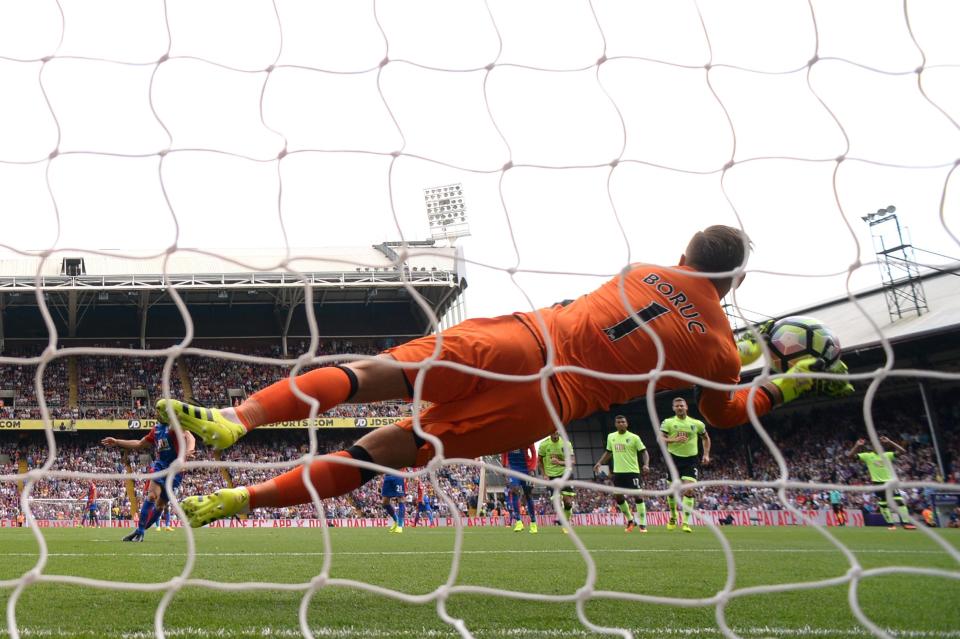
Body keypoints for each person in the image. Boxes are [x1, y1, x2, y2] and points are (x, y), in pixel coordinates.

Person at [158, 225, 854, 526]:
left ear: (684, 252)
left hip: (521, 338)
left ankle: (236, 418)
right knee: (384, 453)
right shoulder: (720, 349)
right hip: (548, 402)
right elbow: (728, 412)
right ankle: (240, 501)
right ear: (732, 283)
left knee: (380, 373)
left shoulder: (641, 267)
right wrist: (782, 377)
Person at [101, 416, 195, 541]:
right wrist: (117, 442)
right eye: (157, 411)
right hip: (160, 466)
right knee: (151, 496)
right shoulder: (156, 429)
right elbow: (139, 444)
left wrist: (188, 451)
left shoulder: (174, 425)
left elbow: (190, 437)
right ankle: (140, 531)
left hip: (176, 470)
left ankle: (140, 530)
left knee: (161, 506)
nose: (158, 414)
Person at [659, 398, 710, 533]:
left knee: (689, 490)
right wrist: (674, 439)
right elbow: (660, 438)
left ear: (686, 407)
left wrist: (706, 454)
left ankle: (686, 522)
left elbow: (705, 438)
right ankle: (673, 515)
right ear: (673, 408)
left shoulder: (696, 423)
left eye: (682, 405)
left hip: (691, 460)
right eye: (677, 406)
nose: (680, 407)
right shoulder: (668, 422)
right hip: (673, 459)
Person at [593, 415, 649, 533]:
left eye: (623, 422)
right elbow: (608, 452)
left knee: (638, 496)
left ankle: (643, 524)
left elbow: (644, 452)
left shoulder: (634, 438)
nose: (621, 424)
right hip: (618, 473)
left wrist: (646, 464)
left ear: (627, 424)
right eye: (618, 422)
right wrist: (599, 463)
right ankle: (630, 520)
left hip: (633, 472)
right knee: (618, 496)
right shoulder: (611, 437)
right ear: (615, 424)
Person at [848, 436, 916, 531]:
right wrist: (857, 445)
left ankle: (906, 523)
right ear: (872, 447)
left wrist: (890, 441)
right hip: (878, 483)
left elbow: (903, 451)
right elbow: (850, 456)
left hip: (890, 482)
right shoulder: (868, 456)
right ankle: (891, 524)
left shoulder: (887, 455)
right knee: (883, 505)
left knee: (899, 502)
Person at [538, 430, 576, 534]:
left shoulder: (566, 444)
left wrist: (559, 462)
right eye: (553, 433)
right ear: (549, 433)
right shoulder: (544, 445)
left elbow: (572, 462)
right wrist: (544, 474)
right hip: (551, 477)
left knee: (568, 503)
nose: (555, 435)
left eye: (557, 433)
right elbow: (540, 461)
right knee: (557, 503)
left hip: (565, 475)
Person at [502, 444, 539, 533]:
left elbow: (533, 452)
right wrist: (504, 467)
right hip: (513, 469)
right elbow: (503, 452)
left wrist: (532, 469)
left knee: (528, 494)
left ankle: (533, 523)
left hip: (526, 469)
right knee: (514, 490)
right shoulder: (506, 439)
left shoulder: (526, 435)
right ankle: (518, 522)